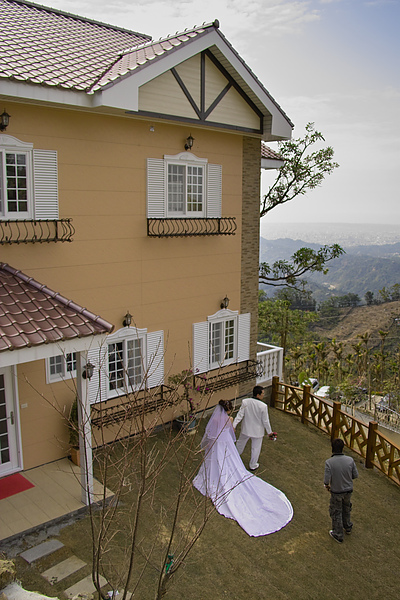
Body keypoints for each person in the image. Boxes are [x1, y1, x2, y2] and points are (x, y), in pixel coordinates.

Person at [193, 400, 293, 537]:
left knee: (215, 463)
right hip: (225, 444)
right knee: (229, 463)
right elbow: (231, 431)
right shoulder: (230, 419)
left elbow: (210, 433)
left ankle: (213, 478)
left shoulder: (214, 418)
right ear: (228, 410)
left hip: (215, 444)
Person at [324, 438, 359, 544]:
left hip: (336, 491)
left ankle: (338, 533)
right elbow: (355, 475)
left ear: (332, 448)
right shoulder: (350, 460)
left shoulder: (329, 462)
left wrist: (327, 486)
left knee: (336, 511)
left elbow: (326, 480)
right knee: (346, 508)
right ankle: (348, 526)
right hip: (348, 490)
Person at [233, 385, 275, 471]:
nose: (263, 395)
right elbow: (265, 421)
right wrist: (269, 432)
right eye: (262, 393)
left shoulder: (245, 402)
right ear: (258, 395)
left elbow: (239, 415)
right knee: (255, 449)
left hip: (246, 429)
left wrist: (234, 425)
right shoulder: (263, 406)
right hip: (257, 432)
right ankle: (253, 465)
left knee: (240, 444)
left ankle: (234, 459)